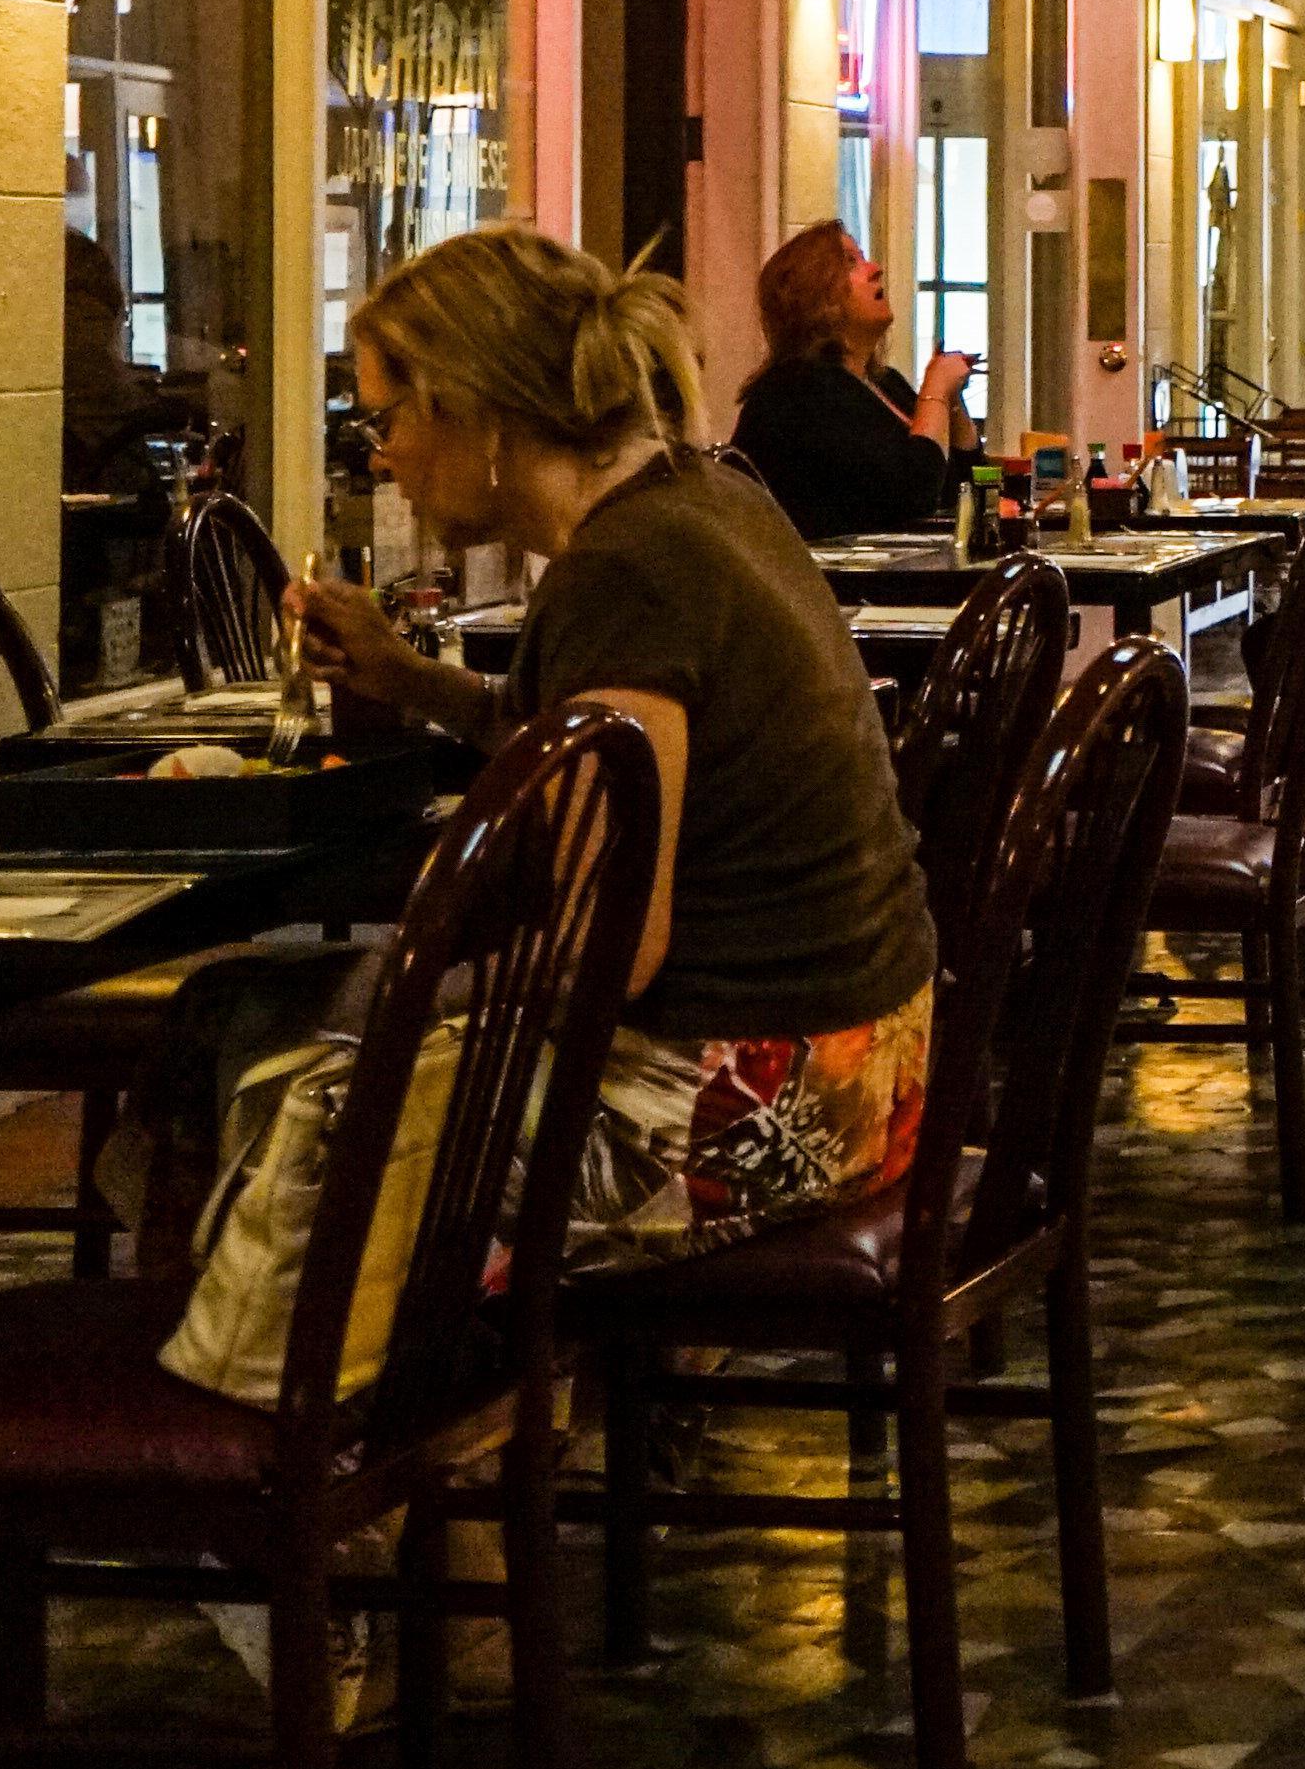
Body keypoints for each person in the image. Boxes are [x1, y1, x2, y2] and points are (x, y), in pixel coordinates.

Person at [240, 228, 937, 1395]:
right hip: (872, 1060)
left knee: (291, 1098)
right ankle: (477, 1453)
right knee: (292, 1037)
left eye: (392, 416)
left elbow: (616, 948)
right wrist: (412, 682)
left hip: (753, 1107)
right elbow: (595, 734)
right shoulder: (703, 499)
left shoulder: (626, 570)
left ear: (481, 414)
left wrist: (426, 955)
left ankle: (317, 1488)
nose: (386, 453)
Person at [728, 221, 967, 539]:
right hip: (835, 583)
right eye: (851, 262)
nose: (875, 269)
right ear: (814, 294)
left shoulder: (885, 382)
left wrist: (952, 402)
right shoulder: (796, 392)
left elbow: (961, 489)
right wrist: (935, 391)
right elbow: (912, 491)